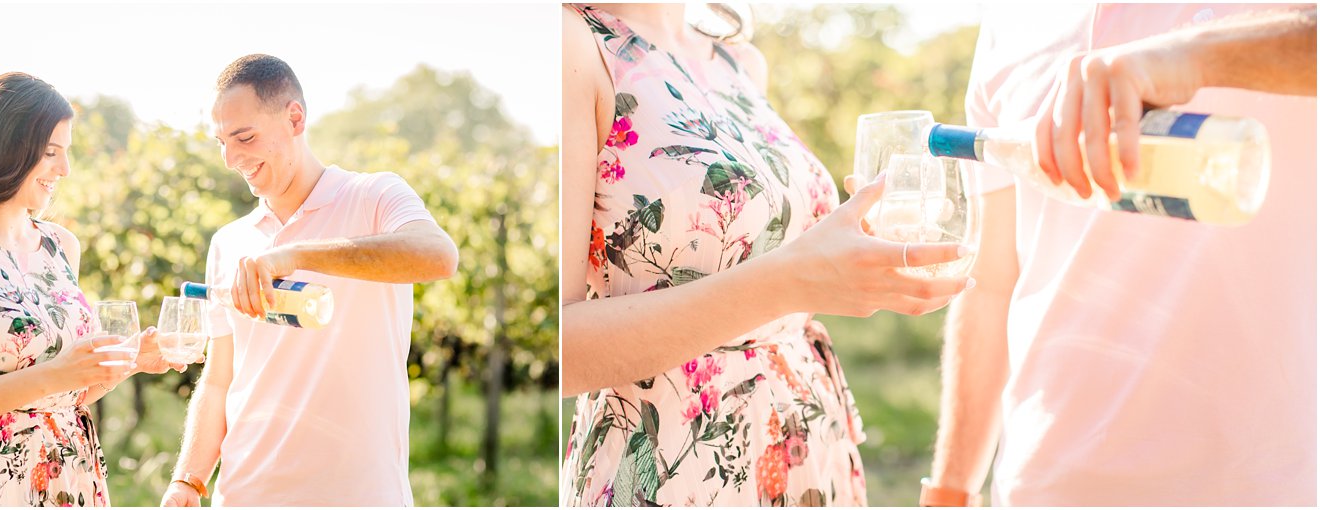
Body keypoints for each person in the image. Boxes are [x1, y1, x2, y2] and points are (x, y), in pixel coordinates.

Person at [559, 4, 974, 506]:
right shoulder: (575, 44)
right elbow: (558, 352)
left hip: (804, 444)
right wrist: (793, 279)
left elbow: (762, 246)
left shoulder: (740, 61)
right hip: (673, 463)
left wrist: (847, 249)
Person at [928, 4, 1316, 506]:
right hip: (1040, 484)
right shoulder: (1010, 22)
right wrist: (949, 490)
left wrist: (1191, 54)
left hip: (1264, 484)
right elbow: (993, 280)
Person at [159, 54, 458, 507]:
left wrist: (295, 256)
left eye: (245, 137)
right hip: (244, 496)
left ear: (294, 118)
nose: (231, 158)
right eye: (222, 141)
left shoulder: (374, 196)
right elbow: (220, 379)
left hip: (360, 496)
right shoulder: (229, 242)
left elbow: (439, 256)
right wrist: (188, 480)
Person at [0, 72, 183, 506]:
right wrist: (57, 374)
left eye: (66, 153)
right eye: (50, 153)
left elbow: (66, 394)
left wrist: (131, 361)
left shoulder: (61, 245)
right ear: (7, 148)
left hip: (73, 473)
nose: (64, 169)